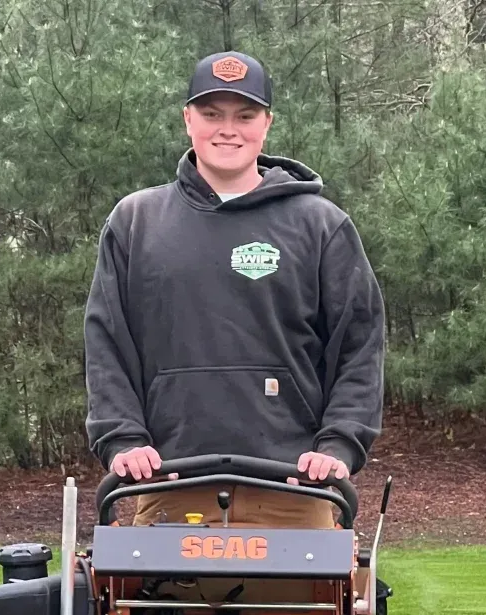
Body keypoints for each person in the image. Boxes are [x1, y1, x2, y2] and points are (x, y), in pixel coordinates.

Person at [83, 50, 385, 528]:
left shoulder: (320, 226)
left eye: (245, 115)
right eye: (211, 114)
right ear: (188, 119)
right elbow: (107, 343)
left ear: (266, 124)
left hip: (294, 488)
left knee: (306, 607)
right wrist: (123, 440)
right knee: (151, 607)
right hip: (170, 483)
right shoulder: (136, 222)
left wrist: (338, 445)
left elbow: (359, 346)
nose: (228, 129)